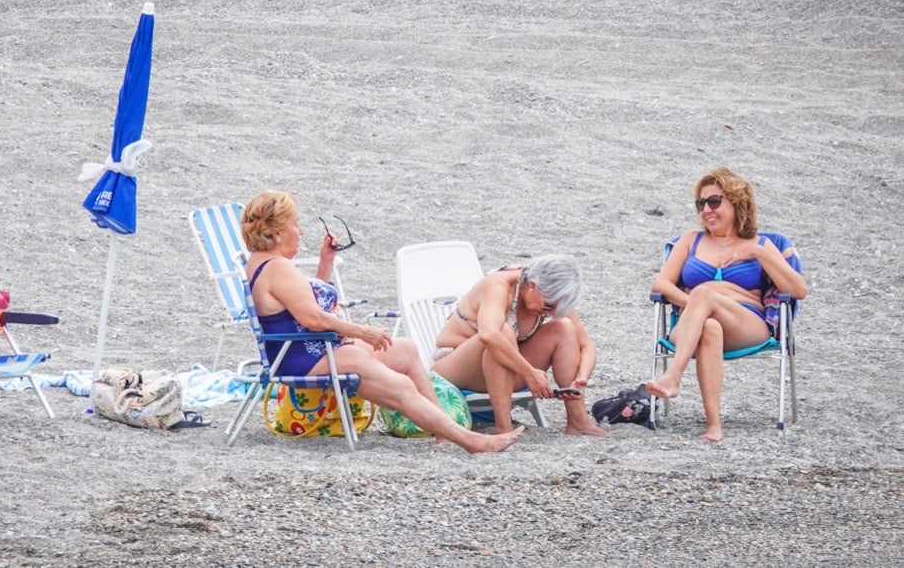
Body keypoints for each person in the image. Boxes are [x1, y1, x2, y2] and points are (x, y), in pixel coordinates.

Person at [241, 190, 524, 453]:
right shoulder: (278, 268)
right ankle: (472, 442)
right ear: (277, 233)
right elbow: (313, 318)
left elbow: (307, 305)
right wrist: (362, 332)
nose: (300, 230)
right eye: (296, 224)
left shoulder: (266, 263)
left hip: (313, 348)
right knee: (401, 387)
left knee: (405, 350)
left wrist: (325, 261)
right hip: (305, 356)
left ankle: (444, 432)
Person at [645, 167, 808, 442]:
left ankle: (673, 376)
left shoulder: (761, 244)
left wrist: (757, 253)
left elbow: (798, 290)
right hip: (692, 325)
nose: (706, 210)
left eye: (714, 201)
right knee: (709, 324)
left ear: (736, 202)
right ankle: (714, 426)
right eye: (701, 204)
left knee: (704, 294)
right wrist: (696, 305)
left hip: (745, 323)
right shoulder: (690, 240)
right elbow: (660, 285)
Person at [430, 254, 608, 437]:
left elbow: (586, 345)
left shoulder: (552, 295)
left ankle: (578, 421)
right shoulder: (499, 285)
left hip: (505, 368)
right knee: (502, 332)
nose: (548, 313)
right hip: (456, 368)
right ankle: (503, 428)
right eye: (547, 307)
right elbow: (488, 335)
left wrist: (581, 380)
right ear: (532, 286)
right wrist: (529, 372)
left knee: (564, 327)